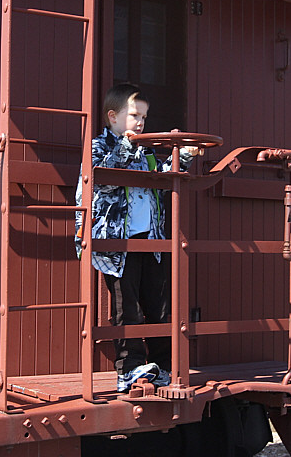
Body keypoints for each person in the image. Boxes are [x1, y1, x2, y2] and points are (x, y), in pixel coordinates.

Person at [75, 83, 200, 392]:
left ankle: (164, 365)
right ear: (113, 117)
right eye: (134, 115)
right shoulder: (99, 147)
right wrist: (126, 149)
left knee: (159, 304)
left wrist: (180, 157)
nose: (141, 122)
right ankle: (129, 369)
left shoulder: (145, 151)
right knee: (126, 306)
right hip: (117, 244)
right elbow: (99, 180)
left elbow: (161, 179)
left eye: (144, 116)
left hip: (151, 240)